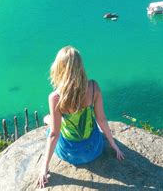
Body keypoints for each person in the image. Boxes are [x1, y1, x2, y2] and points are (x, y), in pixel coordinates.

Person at [36, 46, 124, 188]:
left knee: (51, 125)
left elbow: (54, 134)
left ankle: (49, 120)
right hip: (94, 149)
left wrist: (44, 168)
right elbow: (101, 119)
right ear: (80, 66)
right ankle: (50, 120)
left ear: (58, 68)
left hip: (70, 154)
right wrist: (114, 146)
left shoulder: (55, 98)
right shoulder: (94, 87)